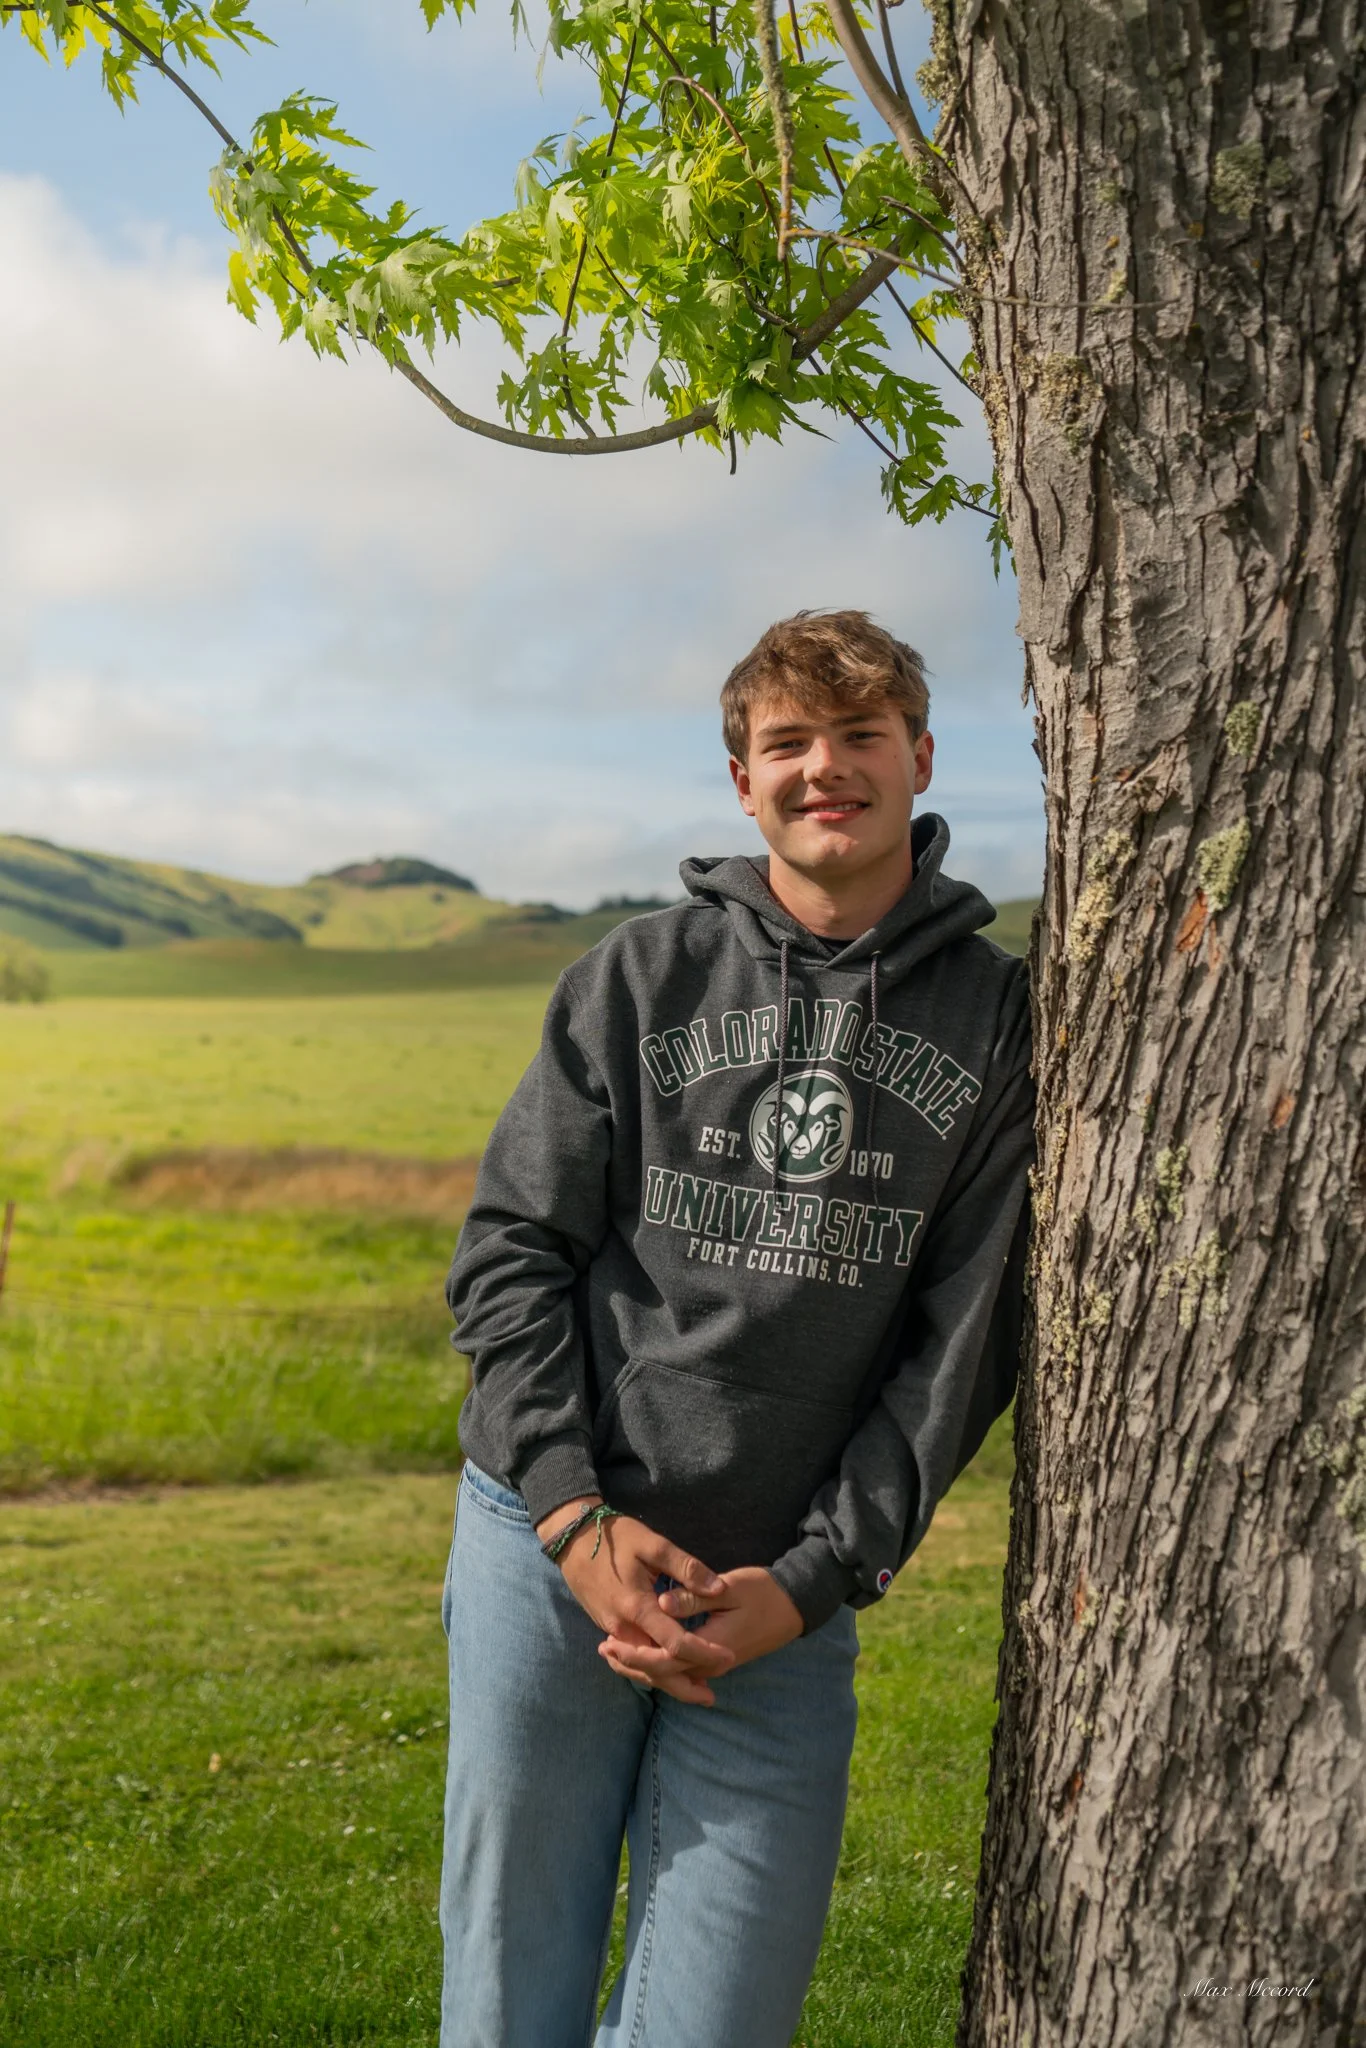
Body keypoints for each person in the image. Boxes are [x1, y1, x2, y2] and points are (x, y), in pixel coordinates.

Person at [439, 608, 1035, 2048]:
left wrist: (816, 1577)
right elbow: (512, 1253)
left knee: (717, 2018)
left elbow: (961, 1345)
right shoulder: (637, 978)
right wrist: (573, 1520)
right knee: (511, 1994)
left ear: (918, 758)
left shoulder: (995, 1020)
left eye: (857, 735)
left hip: (778, 1596)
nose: (822, 767)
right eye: (787, 743)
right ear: (741, 780)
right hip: (550, 1548)